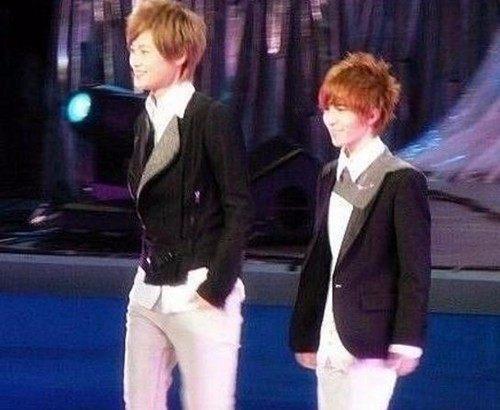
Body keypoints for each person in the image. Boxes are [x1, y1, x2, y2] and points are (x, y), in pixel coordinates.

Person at [123, 1, 251, 409]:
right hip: (149, 291)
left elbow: (239, 208)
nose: (134, 60)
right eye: (133, 50)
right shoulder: (145, 118)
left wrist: (216, 287)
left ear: (178, 55)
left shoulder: (210, 117)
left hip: (199, 292)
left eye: (145, 51)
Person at [289, 52, 431, 410]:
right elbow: (321, 259)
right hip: (329, 333)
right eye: (328, 108)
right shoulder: (329, 174)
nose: (330, 119)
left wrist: (407, 339)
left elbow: (414, 269)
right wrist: (306, 331)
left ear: (372, 114)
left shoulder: (401, 180)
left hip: (371, 338)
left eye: (341, 109)